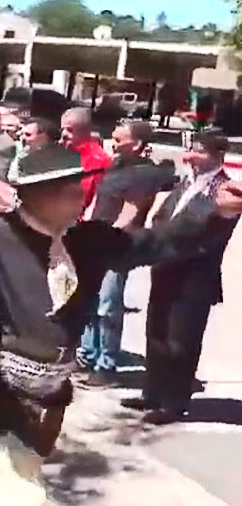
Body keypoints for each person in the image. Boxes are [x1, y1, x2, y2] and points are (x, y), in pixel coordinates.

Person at [0, 143, 242, 505]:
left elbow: (155, 243)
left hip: (49, 393)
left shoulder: (88, 240)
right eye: (69, 193)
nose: (81, 198)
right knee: (13, 490)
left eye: (80, 189)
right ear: (37, 197)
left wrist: (213, 210)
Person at [121, 129, 239, 424]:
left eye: (199, 150)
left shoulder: (226, 191)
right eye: (191, 149)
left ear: (216, 155)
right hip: (165, 269)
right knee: (156, 332)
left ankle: (173, 404)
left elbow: (207, 233)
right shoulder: (187, 182)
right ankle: (153, 393)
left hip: (193, 278)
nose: (190, 156)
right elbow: (165, 218)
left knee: (181, 341)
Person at [77, 120, 174, 387]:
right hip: (96, 242)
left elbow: (130, 214)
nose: (113, 144)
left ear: (138, 144)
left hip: (117, 246)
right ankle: (88, 356)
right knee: (91, 303)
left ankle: (106, 365)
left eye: (119, 141)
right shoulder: (116, 167)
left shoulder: (143, 174)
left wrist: (106, 238)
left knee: (108, 307)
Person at [60, 107, 110, 214]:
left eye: (70, 130)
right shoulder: (62, 151)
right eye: (62, 129)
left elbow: (82, 199)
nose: (64, 134)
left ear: (85, 131)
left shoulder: (97, 160)